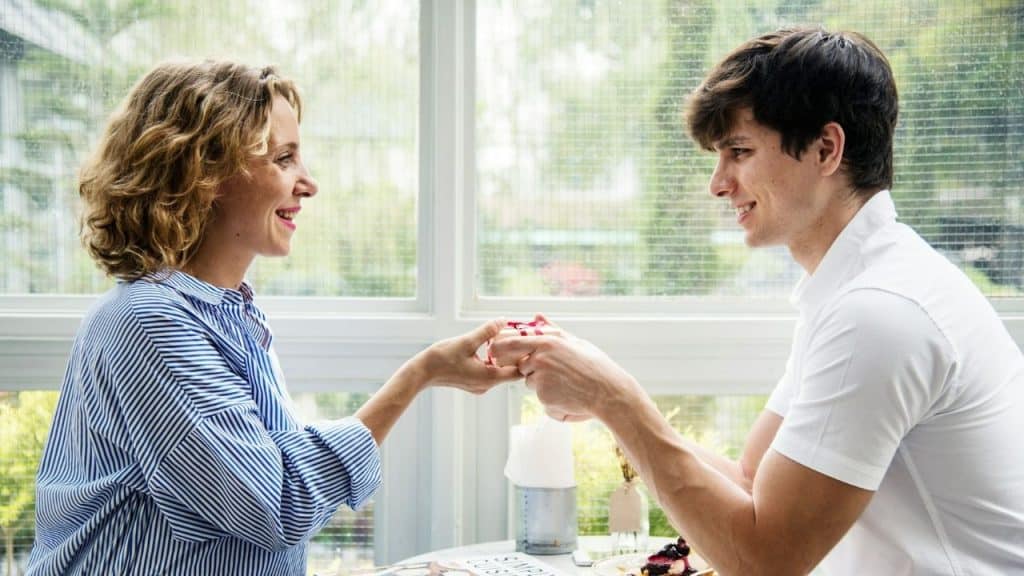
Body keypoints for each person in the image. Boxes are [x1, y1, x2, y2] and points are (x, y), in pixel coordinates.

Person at [490, 27, 1024, 574]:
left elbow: (765, 560)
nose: (718, 184)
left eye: (739, 152)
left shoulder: (880, 315)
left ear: (825, 149)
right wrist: (605, 401)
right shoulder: (856, 287)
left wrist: (614, 398)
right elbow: (750, 482)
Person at [27, 60, 520, 576]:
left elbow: (252, 533)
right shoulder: (147, 323)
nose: (308, 184)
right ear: (204, 172)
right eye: (284, 159)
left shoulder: (228, 314)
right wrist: (420, 375)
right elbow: (276, 505)